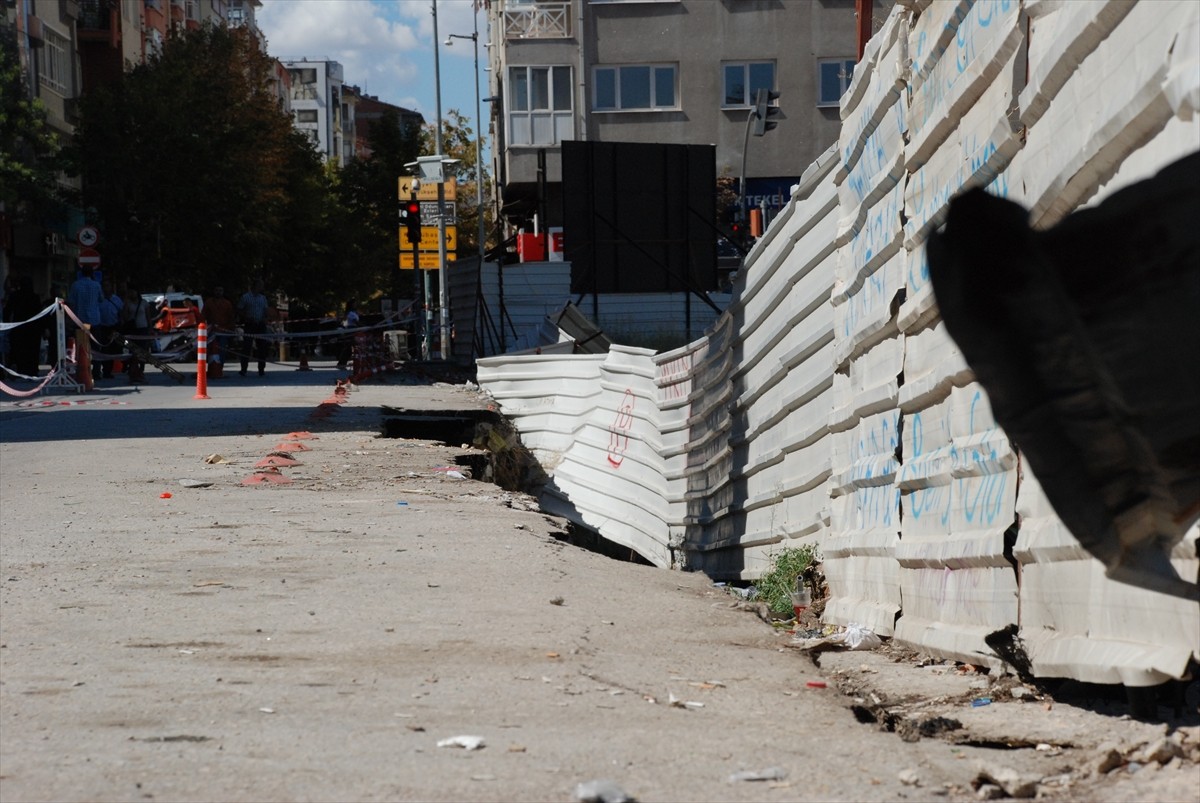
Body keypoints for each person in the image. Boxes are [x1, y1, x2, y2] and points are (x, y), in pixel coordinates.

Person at [66, 265, 103, 379]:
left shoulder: (76, 285)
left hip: (80, 320)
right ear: (92, 273)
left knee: (81, 347)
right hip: (94, 320)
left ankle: (82, 370)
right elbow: (101, 299)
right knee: (95, 347)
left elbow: (71, 302)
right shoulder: (96, 285)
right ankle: (96, 371)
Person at [4, 276, 44, 377]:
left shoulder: (15, 296)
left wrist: (7, 324)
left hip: (19, 327)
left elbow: (7, 311)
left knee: (18, 349)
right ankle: (32, 371)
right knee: (32, 351)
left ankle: (19, 370)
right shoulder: (35, 297)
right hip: (33, 329)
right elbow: (40, 313)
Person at [236, 279, 269, 377]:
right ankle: (244, 369)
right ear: (255, 286)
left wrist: (265, 318)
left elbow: (266, 310)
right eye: (260, 285)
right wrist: (246, 317)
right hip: (249, 324)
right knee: (247, 346)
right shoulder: (245, 297)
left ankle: (261, 369)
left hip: (260, 325)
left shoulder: (263, 298)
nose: (262, 287)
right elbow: (239, 309)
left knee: (262, 347)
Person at [95, 279, 124, 379]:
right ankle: (103, 370)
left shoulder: (116, 300)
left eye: (107, 286)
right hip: (102, 327)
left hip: (114, 328)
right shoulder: (99, 300)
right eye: (104, 286)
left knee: (113, 350)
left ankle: (109, 370)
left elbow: (121, 313)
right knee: (103, 350)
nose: (105, 288)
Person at [203, 285, 236, 365]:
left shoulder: (227, 303)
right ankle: (212, 367)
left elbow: (231, 317)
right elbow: (203, 315)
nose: (218, 292)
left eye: (220, 290)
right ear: (214, 291)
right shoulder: (209, 302)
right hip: (211, 330)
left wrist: (231, 330)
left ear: (223, 292)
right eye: (217, 290)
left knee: (222, 349)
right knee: (211, 349)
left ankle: (220, 367)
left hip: (223, 330)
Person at [336, 299, 360, 370]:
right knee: (348, 348)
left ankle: (342, 363)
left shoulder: (354, 312)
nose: (355, 305)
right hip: (351, 330)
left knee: (352, 348)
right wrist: (363, 326)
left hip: (355, 330)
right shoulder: (349, 313)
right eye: (354, 304)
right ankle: (341, 364)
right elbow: (355, 322)